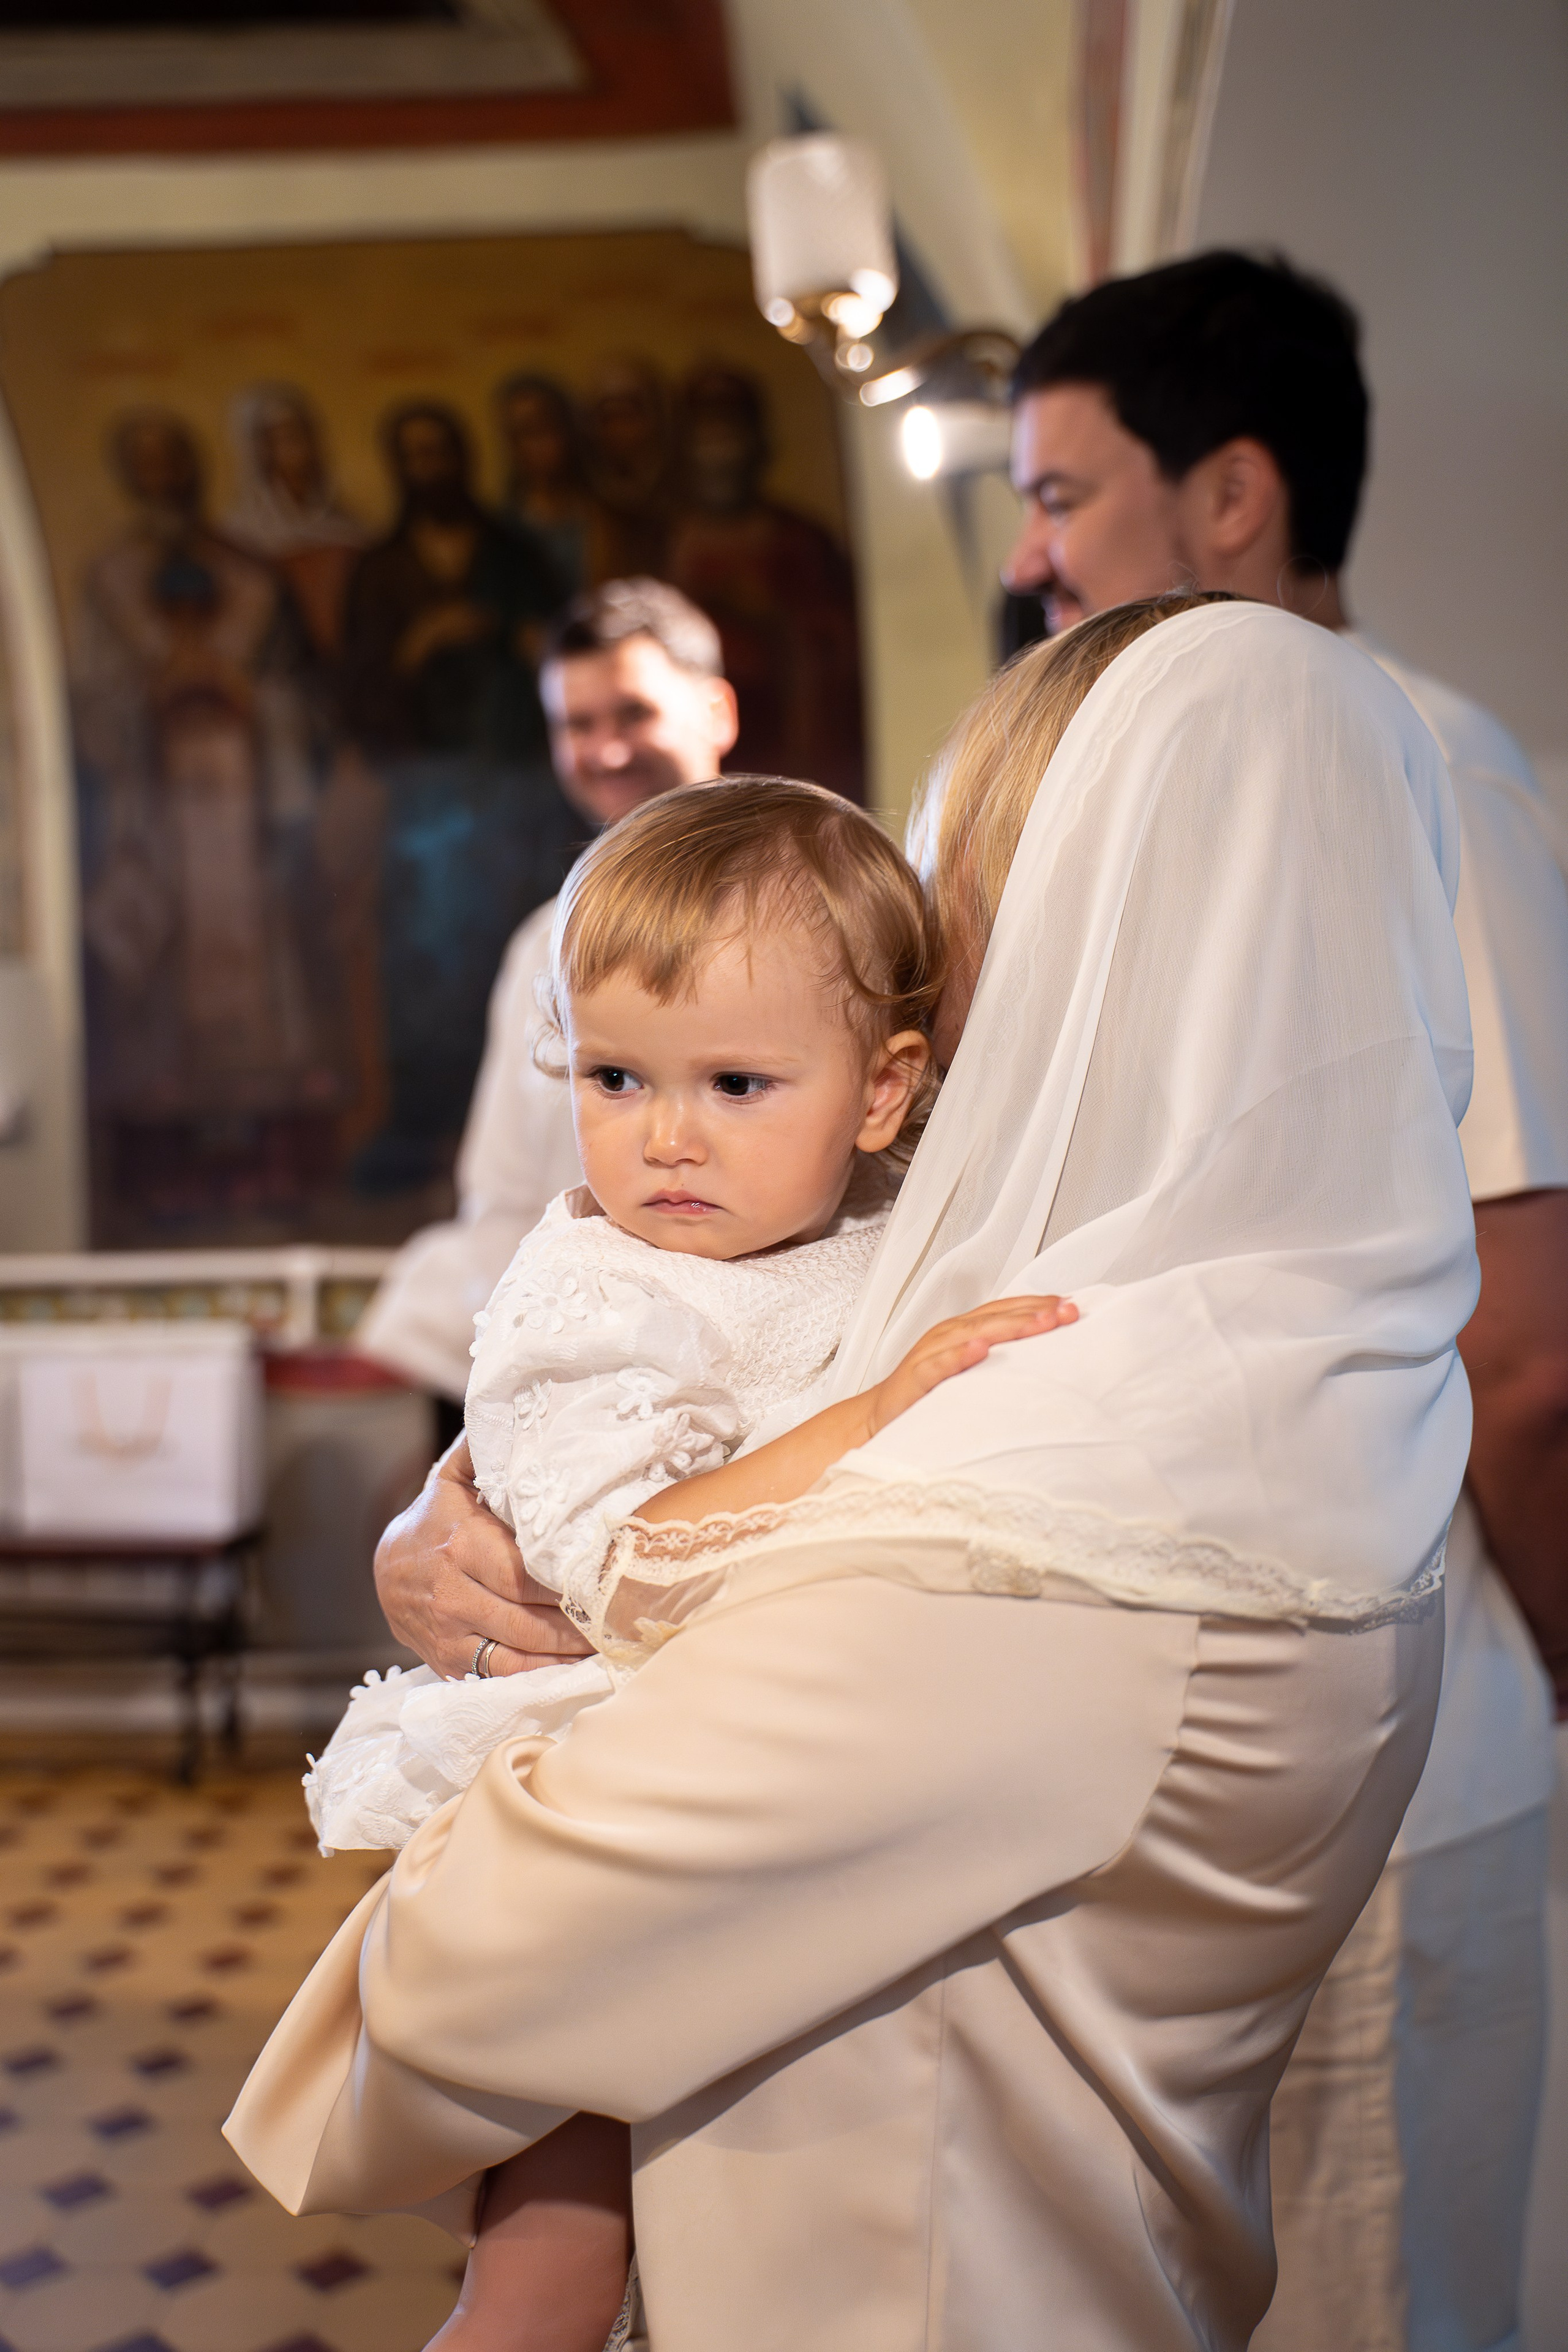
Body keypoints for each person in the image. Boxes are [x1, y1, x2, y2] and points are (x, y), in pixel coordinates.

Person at [230, 596, 1473, 2350]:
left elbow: (476, 1955)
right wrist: (462, 1513)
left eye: (968, 866)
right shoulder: (1306, 1352)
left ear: (1091, 913)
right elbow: (661, 1366)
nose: (939, 938)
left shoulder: (1056, 1472)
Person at [305, 778, 1070, 2351]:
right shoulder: (596, 1293)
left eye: (732, 1081)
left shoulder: (878, 1226)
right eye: (612, 1076)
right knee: (547, 2286)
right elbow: (625, 1566)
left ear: (882, 1090)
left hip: (766, 1802)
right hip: (584, 1813)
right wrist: (878, 1407)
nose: (663, 1137)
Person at [1001, 249, 1568, 2352]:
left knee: (1389, 2296)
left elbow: (1524, 1339)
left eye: (1061, 495)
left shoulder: (1429, 763)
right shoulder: (1094, 802)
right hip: (1142, 1754)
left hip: (1402, 1735)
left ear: (1231, 496)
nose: (1030, 554)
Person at [356, 580, 739, 1414]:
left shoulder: (810, 908)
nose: (605, 752)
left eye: (633, 714)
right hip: (577, 1340)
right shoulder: (542, 943)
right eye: (578, 725)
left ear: (717, 711)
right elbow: (499, 1196)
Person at [341, 400, 574, 1196]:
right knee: (424, 964)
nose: (431, 467)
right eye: (414, 455)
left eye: (443, 450)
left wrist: (501, 633)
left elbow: (562, 640)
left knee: (514, 952)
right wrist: (417, 646)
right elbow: (357, 685)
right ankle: (428, 1125)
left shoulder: (511, 555)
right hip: (426, 797)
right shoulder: (382, 570)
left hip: (508, 788)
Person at [666, 364, 865, 802]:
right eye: (706, 438)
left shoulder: (801, 540)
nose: (719, 454)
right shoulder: (661, 543)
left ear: (757, 442)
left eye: (730, 435)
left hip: (791, 752)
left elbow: (839, 650)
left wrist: (773, 619)